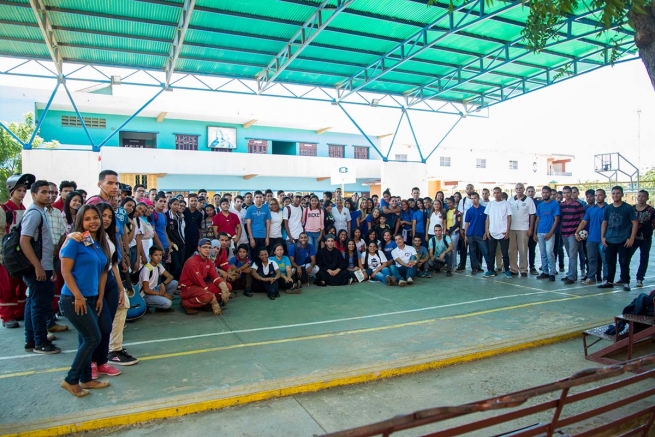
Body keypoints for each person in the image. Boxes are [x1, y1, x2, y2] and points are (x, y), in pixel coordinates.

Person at [58, 204, 112, 396]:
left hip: (91, 298)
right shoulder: (74, 241)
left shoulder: (97, 243)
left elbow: (103, 272)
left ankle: (86, 379)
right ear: (80, 221)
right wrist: (78, 296)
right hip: (73, 298)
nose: (93, 222)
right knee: (93, 338)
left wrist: (98, 297)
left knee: (85, 338)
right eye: (87, 219)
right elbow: (65, 271)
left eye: (95, 217)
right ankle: (71, 380)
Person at [20, 180, 59, 354]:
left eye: (50, 192)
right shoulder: (34, 213)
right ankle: (40, 342)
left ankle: (32, 340)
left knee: (33, 303)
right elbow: (24, 241)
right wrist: (38, 267)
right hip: (38, 267)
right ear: (34, 194)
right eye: (43, 192)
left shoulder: (40, 212)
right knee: (39, 305)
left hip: (43, 266)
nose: (49, 195)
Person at [0, 173, 33, 329]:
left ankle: (19, 311)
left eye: (24, 190)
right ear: (11, 191)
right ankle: (7, 315)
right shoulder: (3, 209)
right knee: (7, 285)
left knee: (21, 284)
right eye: (19, 190)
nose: (22, 193)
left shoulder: (25, 209)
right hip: (6, 252)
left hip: (21, 252)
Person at [599, 186, 638, 291]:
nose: (615, 195)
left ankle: (625, 282)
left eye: (617, 193)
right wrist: (602, 237)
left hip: (623, 240)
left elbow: (635, 223)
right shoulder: (608, 208)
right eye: (613, 193)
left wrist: (631, 238)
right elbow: (605, 222)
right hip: (610, 239)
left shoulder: (628, 208)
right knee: (610, 261)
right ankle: (609, 281)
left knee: (624, 261)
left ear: (622, 194)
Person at [179, 239, 231, 315]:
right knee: (208, 296)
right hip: (189, 287)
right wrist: (214, 301)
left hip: (201, 285)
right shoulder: (192, 262)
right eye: (204, 247)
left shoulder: (208, 260)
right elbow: (199, 282)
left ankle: (204, 304)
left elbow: (215, 276)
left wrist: (225, 289)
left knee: (227, 286)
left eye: (209, 247)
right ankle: (186, 304)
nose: (207, 250)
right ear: (199, 248)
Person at [576, 189, 607, 285]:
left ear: (605, 196)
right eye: (597, 195)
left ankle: (606, 279)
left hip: (604, 240)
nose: (598, 197)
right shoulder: (590, 209)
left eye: (600, 195)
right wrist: (577, 232)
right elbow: (584, 222)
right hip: (591, 239)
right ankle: (591, 278)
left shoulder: (608, 209)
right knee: (591, 260)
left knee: (605, 260)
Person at [559, 186, 585, 284]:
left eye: (568, 193)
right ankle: (571, 273)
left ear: (571, 193)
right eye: (564, 193)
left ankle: (572, 276)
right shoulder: (561, 205)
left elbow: (583, 220)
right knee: (570, 254)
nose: (566, 195)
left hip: (573, 233)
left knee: (573, 254)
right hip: (564, 233)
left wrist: (578, 232)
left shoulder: (578, 205)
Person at [139, 245, 178, 311]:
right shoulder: (147, 269)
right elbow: (146, 290)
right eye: (156, 255)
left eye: (160, 255)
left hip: (154, 289)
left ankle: (159, 304)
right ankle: (149, 304)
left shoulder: (158, 265)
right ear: (150, 256)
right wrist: (163, 294)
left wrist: (163, 284)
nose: (159, 257)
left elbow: (170, 276)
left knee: (174, 283)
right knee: (168, 303)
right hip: (145, 295)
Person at [485, 187, 513, 278]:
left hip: (503, 232)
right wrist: (487, 231)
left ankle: (507, 270)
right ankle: (490, 270)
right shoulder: (490, 204)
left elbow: (509, 218)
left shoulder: (506, 204)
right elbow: (487, 218)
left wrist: (508, 231)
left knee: (505, 253)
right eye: (495, 193)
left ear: (501, 193)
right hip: (492, 232)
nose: (496, 194)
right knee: (491, 252)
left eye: (498, 193)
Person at [508, 183, 535, 277]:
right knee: (512, 250)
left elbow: (532, 215)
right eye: (517, 188)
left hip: (523, 228)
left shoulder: (529, 200)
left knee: (523, 250)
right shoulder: (511, 200)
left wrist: (530, 228)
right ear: (515, 189)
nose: (518, 190)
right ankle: (513, 269)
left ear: (523, 189)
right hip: (511, 228)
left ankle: (523, 269)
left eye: (520, 188)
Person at [534, 186, 561, 282]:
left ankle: (552, 272)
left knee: (550, 252)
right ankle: (545, 271)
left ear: (550, 193)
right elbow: (537, 219)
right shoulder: (540, 205)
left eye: (546, 192)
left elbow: (556, 220)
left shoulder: (555, 204)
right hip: (540, 232)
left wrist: (551, 233)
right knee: (543, 253)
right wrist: (535, 233)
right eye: (543, 192)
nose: (545, 194)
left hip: (549, 233)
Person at [630, 190, 655, 287]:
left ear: (647, 198)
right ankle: (624, 277)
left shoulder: (651, 210)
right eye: (639, 196)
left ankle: (639, 278)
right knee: (626, 257)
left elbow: (654, 223)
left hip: (646, 239)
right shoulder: (631, 209)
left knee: (644, 258)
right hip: (633, 237)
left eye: (643, 196)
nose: (641, 198)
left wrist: (647, 231)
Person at [463, 192, 491, 276]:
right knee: (472, 252)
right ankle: (474, 268)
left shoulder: (484, 209)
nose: (473, 200)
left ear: (478, 198)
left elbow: (487, 221)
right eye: (472, 198)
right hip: (471, 234)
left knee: (486, 252)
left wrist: (486, 232)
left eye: (475, 198)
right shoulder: (469, 211)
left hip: (481, 234)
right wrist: (465, 235)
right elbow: (467, 223)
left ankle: (490, 268)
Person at [245, 191, 271, 259]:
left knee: (264, 256)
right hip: (254, 236)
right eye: (257, 197)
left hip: (263, 236)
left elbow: (268, 223)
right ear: (254, 198)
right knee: (254, 256)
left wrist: (267, 237)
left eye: (260, 197)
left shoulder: (266, 208)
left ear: (263, 198)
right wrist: (251, 238)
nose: (259, 199)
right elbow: (248, 224)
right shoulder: (250, 209)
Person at [165, 197, 186, 280]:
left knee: (180, 265)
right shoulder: (166, 215)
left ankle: (177, 284)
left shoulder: (179, 216)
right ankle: (169, 283)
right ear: (170, 205)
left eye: (178, 205)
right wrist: (169, 242)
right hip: (173, 245)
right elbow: (166, 231)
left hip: (182, 243)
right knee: (176, 266)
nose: (176, 206)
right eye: (174, 204)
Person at [183, 193, 203, 261]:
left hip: (194, 238)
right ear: (189, 201)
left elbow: (199, 227)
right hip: (184, 237)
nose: (193, 202)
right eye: (192, 201)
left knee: (193, 256)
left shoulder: (199, 214)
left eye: (195, 200)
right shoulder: (184, 211)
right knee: (184, 256)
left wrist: (200, 238)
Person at [525, 186, 540, 275]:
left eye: (532, 191)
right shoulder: (522, 201)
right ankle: (522, 267)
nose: (530, 193)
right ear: (526, 192)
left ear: (534, 193)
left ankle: (532, 266)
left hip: (533, 229)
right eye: (529, 191)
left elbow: (537, 218)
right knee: (522, 249)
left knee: (532, 249)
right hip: (522, 229)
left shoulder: (538, 203)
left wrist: (534, 231)